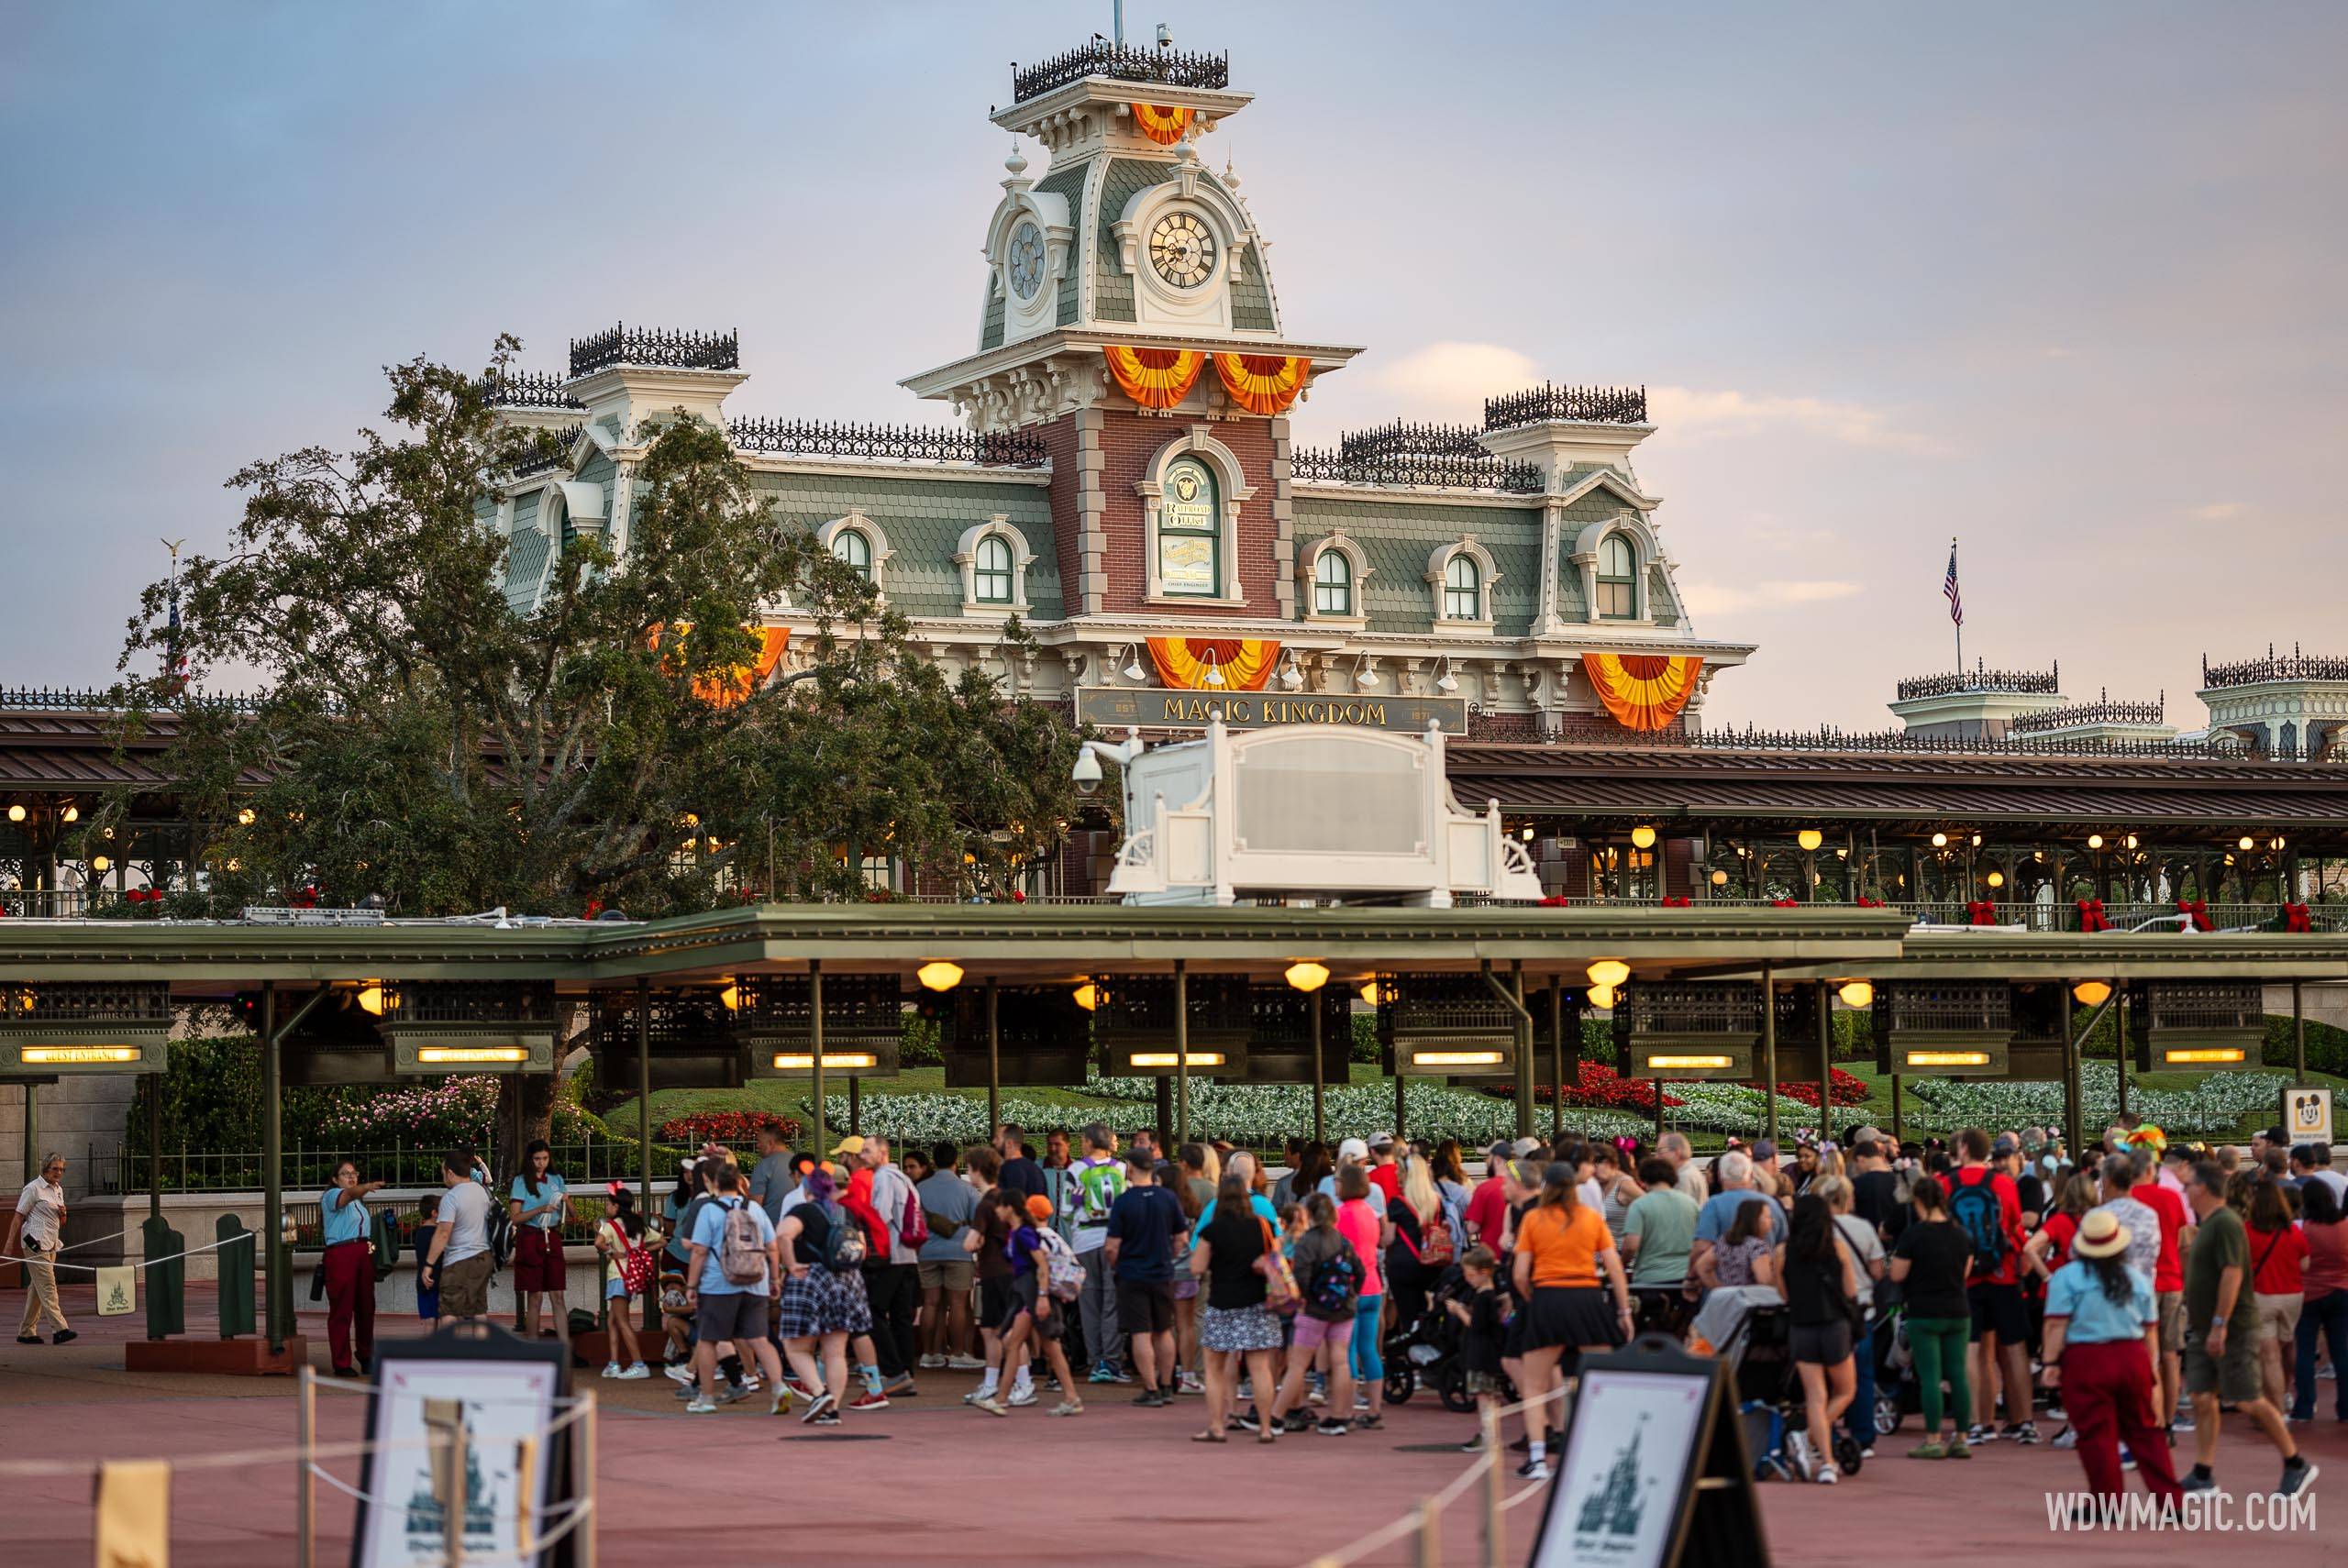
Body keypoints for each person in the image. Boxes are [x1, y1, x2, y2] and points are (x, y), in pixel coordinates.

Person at [2178, 1159, 2314, 1496]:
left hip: (2231, 1326)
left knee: (2248, 1398)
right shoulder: (2209, 1223)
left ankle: (2295, 1462)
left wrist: (2219, 1325)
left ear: (2205, 1188)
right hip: (2205, 1326)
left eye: (2190, 1185)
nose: (2185, 1191)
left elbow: (2232, 1273)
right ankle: (2203, 1471)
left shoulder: (2224, 1223)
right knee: (2201, 1395)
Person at [2041, 1208, 2183, 1513]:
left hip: (2086, 1358)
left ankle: (2106, 1501)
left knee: (2096, 1433)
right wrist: (2152, 1368)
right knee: (2146, 1430)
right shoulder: (2136, 1279)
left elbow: (2056, 1324)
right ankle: (2171, 1500)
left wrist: (2050, 1363)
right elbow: (2150, 1330)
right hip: (2132, 1355)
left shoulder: (2066, 1278)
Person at [1510, 1160, 1633, 1481]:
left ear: (1547, 1186)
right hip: (1587, 1297)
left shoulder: (1533, 1218)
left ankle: (1538, 1458)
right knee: (1604, 1379)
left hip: (1548, 1297)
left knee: (1535, 1384)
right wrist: (1624, 1312)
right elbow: (1615, 1268)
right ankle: (1607, 1450)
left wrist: (1532, 1300)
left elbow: (1520, 1274)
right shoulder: (1591, 1218)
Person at [1946, 1127, 2034, 1444]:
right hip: (2004, 1273)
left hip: (1965, 1277)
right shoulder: (2003, 1184)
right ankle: (2023, 1420)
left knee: (1972, 1351)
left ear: (1964, 1148)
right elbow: (2013, 1226)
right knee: (2013, 1349)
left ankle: (1975, 1423)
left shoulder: (1945, 1184)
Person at [682, 1161, 787, 1416]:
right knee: (759, 1340)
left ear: (715, 1184)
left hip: (718, 1284)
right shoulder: (755, 1209)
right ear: (740, 1183)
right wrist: (774, 1280)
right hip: (755, 1282)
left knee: (708, 1341)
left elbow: (699, 1250)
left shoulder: (708, 1210)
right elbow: (773, 1248)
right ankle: (779, 1387)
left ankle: (706, 1398)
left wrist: (692, 1285)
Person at [1188, 1170, 1283, 1443]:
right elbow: (1276, 1258)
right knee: (1260, 1369)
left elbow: (1196, 1267)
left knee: (1215, 1369)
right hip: (1257, 1304)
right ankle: (1265, 1428)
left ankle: (1217, 1426)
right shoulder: (1262, 1225)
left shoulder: (1212, 1230)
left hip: (1222, 1304)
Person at [776, 1167, 872, 1426]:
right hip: (847, 1281)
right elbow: (861, 1247)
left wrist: (791, 1264)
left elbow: (783, 1235)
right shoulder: (845, 1213)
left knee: (795, 1347)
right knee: (836, 1351)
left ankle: (819, 1394)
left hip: (811, 1280)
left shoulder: (803, 1211)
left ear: (806, 1189)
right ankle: (833, 1410)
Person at [1889, 1174, 1974, 1459]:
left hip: (1924, 1311)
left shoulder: (1914, 1235)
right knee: (1958, 1374)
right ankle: (1962, 1437)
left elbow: (1897, 1274)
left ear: (1919, 1202)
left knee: (1930, 1377)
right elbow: (1965, 1272)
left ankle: (1933, 1439)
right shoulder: (1960, 1233)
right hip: (1958, 1310)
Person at [978, 1193, 1083, 1418]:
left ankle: (1003, 1398)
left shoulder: (1024, 1234)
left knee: (1031, 1345)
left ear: (1009, 1208)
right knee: (1029, 1345)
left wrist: (1043, 1296)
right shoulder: (1028, 1233)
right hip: (1033, 1297)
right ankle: (1003, 1398)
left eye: (1000, 1208)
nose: (996, 1212)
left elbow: (1041, 1265)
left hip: (1035, 1297)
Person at [1782, 1191, 1861, 1484]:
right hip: (1834, 1325)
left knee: (1815, 1396)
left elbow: (1784, 1293)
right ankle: (1808, 1437)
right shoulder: (1837, 1248)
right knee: (1844, 1391)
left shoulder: (1784, 1251)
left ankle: (1826, 1461)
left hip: (1801, 1326)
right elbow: (1850, 1291)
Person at [1272, 1192, 1361, 1434]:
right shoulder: (1343, 1241)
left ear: (1309, 1214)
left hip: (1314, 1309)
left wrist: (1303, 1299)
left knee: (1298, 1363)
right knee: (1340, 1361)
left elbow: (1301, 1277)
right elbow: (1359, 1272)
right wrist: (1352, 1293)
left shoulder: (1307, 1242)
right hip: (1343, 1307)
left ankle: (1276, 1417)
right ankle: (1340, 1416)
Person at [1105, 1150, 1188, 1405]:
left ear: (1130, 1168)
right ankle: (1166, 1385)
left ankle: (1150, 1389)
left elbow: (1111, 1246)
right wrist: (1168, 1256)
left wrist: (1116, 1264)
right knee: (1164, 1330)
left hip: (1132, 1272)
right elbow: (1181, 1239)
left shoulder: (1124, 1201)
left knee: (1140, 1332)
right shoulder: (1168, 1198)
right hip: (1162, 1272)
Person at [841, 1135, 920, 1397]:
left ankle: (894, 1370)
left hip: (890, 1254)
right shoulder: (903, 1178)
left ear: (882, 1152)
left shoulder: (884, 1179)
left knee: (873, 1311)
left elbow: (880, 1215)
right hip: (907, 1254)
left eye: (867, 1150)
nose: (862, 1155)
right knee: (900, 1317)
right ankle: (904, 1372)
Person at [1817, 1174, 1885, 1457]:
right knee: (1862, 1375)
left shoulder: (1817, 1230)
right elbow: (1878, 1271)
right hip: (1861, 1309)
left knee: (1827, 1378)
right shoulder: (1862, 1227)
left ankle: (1826, 1432)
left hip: (1826, 1310)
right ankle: (1863, 1435)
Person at [1067, 1122, 1128, 1386]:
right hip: (1114, 1241)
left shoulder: (1077, 1170)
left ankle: (1095, 1361)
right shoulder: (1122, 1170)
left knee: (1089, 1303)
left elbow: (1067, 1210)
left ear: (1091, 1142)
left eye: (1082, 1140)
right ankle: (1112, 1362)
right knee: (1113, 1302)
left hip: (1084, 1242)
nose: (1081, 1144)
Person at [914, 1141, 981, 1370]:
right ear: (957, 1162)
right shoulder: (967, 1189)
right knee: (958, 1304)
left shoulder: (921, 1188)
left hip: (927, 1251)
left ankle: (928, 1352)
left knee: (931, 1303)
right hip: (959, 1251)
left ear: (933, 1161)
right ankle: (958, 1352)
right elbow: (978, 1221)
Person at [2244, 1176, 2309, 1411]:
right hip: (2293, 1297)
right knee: (2286, 1346)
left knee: (2269, 1356)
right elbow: (2305, 1265)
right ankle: (2286, 1392)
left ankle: (2276, 1408)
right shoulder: (2293, 1231)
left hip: (2262, 1295)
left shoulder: (2248, 1231)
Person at [319, 1158, 385, 1375]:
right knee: (342, 1310)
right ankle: (341, 1362)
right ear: (335, 1179)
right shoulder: (332, 1196)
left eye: (354, 1173)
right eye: (345, 1174)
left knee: (367, 1307)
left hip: (361, 1253)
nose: (351, 1176)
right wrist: (365, 1187)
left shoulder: (359, 1203)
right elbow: (347, 1195)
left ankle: (366, 1353)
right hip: (341, 1253)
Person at [2290, 1178, 2348, 1422]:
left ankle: (2304, 1406)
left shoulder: (2303, 1228)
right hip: (2342, 1292)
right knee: (2342, 1352)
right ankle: (2345, 1407)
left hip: (2309, 1293)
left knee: (2304, 1351)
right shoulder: (2345, 1225)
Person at [420, 1147, 495, 1329]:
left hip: (458, 1260)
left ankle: (450, 1353)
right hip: (482, 1258)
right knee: (479, 1311)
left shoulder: (451, 1197)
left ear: (451, 1173)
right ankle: (480, 1353)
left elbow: (443, 1233)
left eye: (443, 1172)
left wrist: (429, 1264)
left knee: (449, 1312)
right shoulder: (482, 1193)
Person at [6, 1151, 73, 1346]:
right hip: (34, 1243)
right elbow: (19, 1216)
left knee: (37, 1288)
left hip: (51, 1243)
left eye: (61, 1169)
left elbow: (61, 1221)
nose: (58, 1172)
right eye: (55, 1169)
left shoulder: (58, 1190)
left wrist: (63, 1214)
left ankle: (26, 1332)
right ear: (45, 1168)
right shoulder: (33, 1188)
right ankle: (60, 1329)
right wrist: (9, 1244)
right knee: (48, 1285)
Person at [508, 1139, 571, 1346]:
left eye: (544, 1158)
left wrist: (567, 1200)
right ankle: (533, 1347)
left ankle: (564, 1347)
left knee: (558, 1295)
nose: (541, 1163)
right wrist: (539, 1209)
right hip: (531, 1237)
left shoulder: (556, 1179)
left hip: (552, 1236)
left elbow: (573, 1215)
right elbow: (515, 1217)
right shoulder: (521, 1181)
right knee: (534, 1296)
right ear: (530, 1159)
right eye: (537, 1159)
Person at [1449, 1245, 1508, 1452]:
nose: (1468, 1279)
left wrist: (1459, 1311)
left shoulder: (1484, 1297)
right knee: (1487, 1395)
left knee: (1483, 1395)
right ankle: (1489, 1434)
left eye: (1470, 1275)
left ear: (1483, 1273)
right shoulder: (1489, 1296)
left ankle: (1487, 1436)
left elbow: (1476, 1325)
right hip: (1488, 1352)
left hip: (1481, 1353)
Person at [594, 1183, 651, 1379]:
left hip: (618, 1276)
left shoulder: (611, 1225)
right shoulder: (638, 1224)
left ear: (616, 1206)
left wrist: (613, 1252)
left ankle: (639, 1363)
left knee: (622, 1321)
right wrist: (637, 1252)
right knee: (613, 1320)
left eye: (609, 1204)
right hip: (632, 1276)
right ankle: (614, 1363)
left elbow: (598, 1242)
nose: (607, 1208)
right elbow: (661, 1240)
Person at [1621, 1157, 1700, 1289]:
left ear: (1643, 1179)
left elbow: (1631, 1246)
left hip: (1650, 1278)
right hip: (1686, 1276)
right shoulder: (1691, 1203)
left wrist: (1621, 1264)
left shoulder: (1640, 1205)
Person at [1705, 1198, 1778, 1292]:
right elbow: (1765, 1280)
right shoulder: (1757, 1246)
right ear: (1756, 1220)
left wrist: (1719, 1291)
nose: (1772, 1221)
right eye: (1768, 1217)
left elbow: (1702, 1266)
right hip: (1752, 1301)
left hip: (1729, 1302)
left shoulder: (1725, 1241)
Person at [747, 1123, 795, 1227]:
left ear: (771, 1143)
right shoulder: (798, 1162)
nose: (757, 1145)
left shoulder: (763, 1166)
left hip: (771, 1232)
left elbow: (755, 1207)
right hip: (798, 1229)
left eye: (759, 1141)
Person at [993, 1123, 1047, 1202]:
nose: (993, 1142)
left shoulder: (1007, 1169)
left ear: (1009, 1143)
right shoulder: (1036, 1170)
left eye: (997, 1138)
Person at [410, 1194, 440, 1323]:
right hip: (440, 1280)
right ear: (434, 1213)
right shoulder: (440, 1234)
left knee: (429, 1319)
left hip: (423, 1281)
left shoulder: (420, 1233)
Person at [1657, 1132, 1709, 1202]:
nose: (1657, 1157)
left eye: (1660, 1151)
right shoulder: (1688, 1171)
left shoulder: (1683, 1178)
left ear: (1676, 1152)